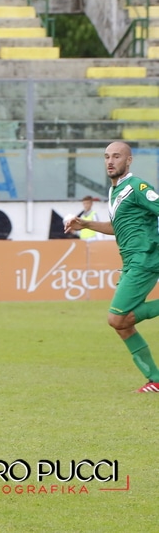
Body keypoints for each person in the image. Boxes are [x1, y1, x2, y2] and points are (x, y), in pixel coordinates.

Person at [65, 142, 159, 393]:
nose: (110, 161)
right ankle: (155, 379)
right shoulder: (115, 191)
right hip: (130, 261)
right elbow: (118, 227)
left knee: (115, 318)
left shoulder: (137, 187)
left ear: (129, 161)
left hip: (145, 259)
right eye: (107, 156)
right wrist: (85, 224)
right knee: (123, 324)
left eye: (116, 156)